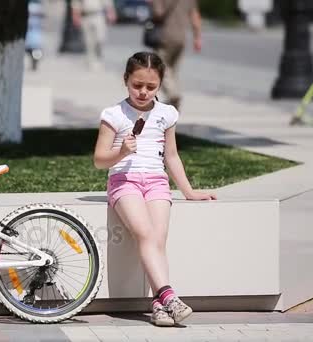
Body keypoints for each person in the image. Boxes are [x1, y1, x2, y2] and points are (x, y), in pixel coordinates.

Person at [93, 51, 216, 327]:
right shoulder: (114, 114)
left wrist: (189, 191)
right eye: (137, 85)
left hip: (157, 181)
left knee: (157, 242)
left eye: (151, 87)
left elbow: (171, 156)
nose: (143, 92)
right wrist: (121, 152)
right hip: (125, 181)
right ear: (125, 80)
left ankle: (159, 307)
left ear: (160, 85)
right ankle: (169, 296)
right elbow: (99, 160)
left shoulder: (166, 114)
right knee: (145, 234)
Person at [148, 0, 202, 110]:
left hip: (165, 37)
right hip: (181, 39)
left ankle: (173, 95)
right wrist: (197, 38)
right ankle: (173, 103)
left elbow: (158, 14)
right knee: (173, 70)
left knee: (161, 68)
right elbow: (195, 16)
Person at [71, 0, 116, 70]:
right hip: (85, 16)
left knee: (100, 39)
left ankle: (99, 57)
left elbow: (107, 2)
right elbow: (76, 3)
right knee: (88, 41)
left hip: (98, 15)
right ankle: (91, 61)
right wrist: (75, 15)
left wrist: (111, 12)